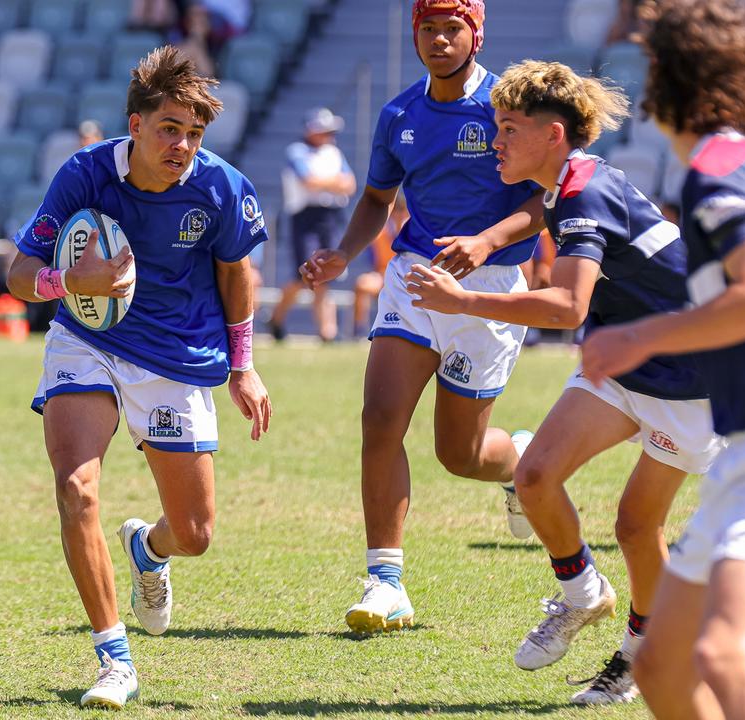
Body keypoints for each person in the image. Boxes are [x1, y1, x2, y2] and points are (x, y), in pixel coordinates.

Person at [408, 60, 724, 706]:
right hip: (624, 359)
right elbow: (538, 218)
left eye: (509, 128)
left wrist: (464, 302)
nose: (496, 140)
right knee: (533, 477)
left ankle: (642, 652)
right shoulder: (568, 183)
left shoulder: (585, 193)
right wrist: (488, 241)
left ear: (554, 136)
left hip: (692, 376)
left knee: (638, 526)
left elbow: (567, 307)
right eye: (497, 125)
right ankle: (584, 595)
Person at [580, 2, 745, 718]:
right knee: (662, 665)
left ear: (673, 80)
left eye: (654, 65)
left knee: (724, 655)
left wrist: (639, 337)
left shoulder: (717, 170)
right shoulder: (742, 155)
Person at [5, 46, 271, 709]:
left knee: (196, 535)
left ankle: (149, 551)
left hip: (175, 357)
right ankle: (113, 658)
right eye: (168, 129)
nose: (181, 145)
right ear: (136, 125)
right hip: (87, 339)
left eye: (193, 133)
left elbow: (237, 274)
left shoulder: (222, 188)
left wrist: (243, 365)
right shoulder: (85, 175)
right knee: (77, 489)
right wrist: (71, 281)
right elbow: (16, 276)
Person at [300, 0, 546, 636]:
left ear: (476, 33)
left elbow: (542, 200)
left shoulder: (507, 106)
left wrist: (487, 242)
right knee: (380, 418)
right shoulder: (399, 114)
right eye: (427, 29)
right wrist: (342, 254)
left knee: (459, 454)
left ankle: (519, 462)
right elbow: (379, 198)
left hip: (491, 289)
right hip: (414, 277)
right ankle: (385, 582)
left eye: (452, 28)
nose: (439, 40)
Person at [271, 108, 357, 342]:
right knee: (304, 273)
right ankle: (278, 318)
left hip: (331, 216)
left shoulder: (334, 152)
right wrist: (333, 183)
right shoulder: (297, 151)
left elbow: (349, 184)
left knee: (324, 272)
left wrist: (325, 183)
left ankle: (326, 331)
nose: (330, 135)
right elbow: (308, 181)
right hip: (305, 217)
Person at [352, 192, 408, 339]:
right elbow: (374, 261)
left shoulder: (413, 232)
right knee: (362, 284)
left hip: (408, 277)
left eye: (403, 211)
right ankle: (359, 331)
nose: (400, 215)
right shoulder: (380, 233)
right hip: (384, 275)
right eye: (397, 211)